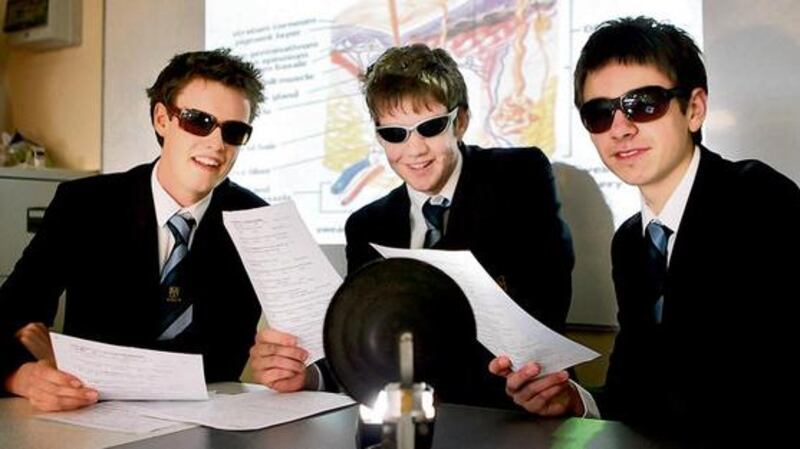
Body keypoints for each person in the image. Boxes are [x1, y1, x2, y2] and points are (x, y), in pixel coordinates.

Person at [489, 16, 800, 442]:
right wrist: (574, 401)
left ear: (695, 109)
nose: (621, 128)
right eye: (600, 113)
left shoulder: (757, 200)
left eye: (644, 103)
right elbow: (634, 391)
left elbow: (757, 390)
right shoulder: (632, 243)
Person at [248, 43, 575, 408]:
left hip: (519, 410)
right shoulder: (367, 225)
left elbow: (545, 300)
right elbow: (366, 348)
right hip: (408, 422)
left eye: (430, 127)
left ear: (461, 121)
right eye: (394, 134)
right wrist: (310, 375)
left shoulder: (518, 175)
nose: (415, 149)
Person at [0, 49, 267, 412]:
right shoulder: (85, 204)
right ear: (162, 119)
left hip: (210, 423)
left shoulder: (256, 220)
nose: (217, 144)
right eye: (198, 121)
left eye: (234, 131)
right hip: (92, 416)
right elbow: (11, 313)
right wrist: (23, 376)